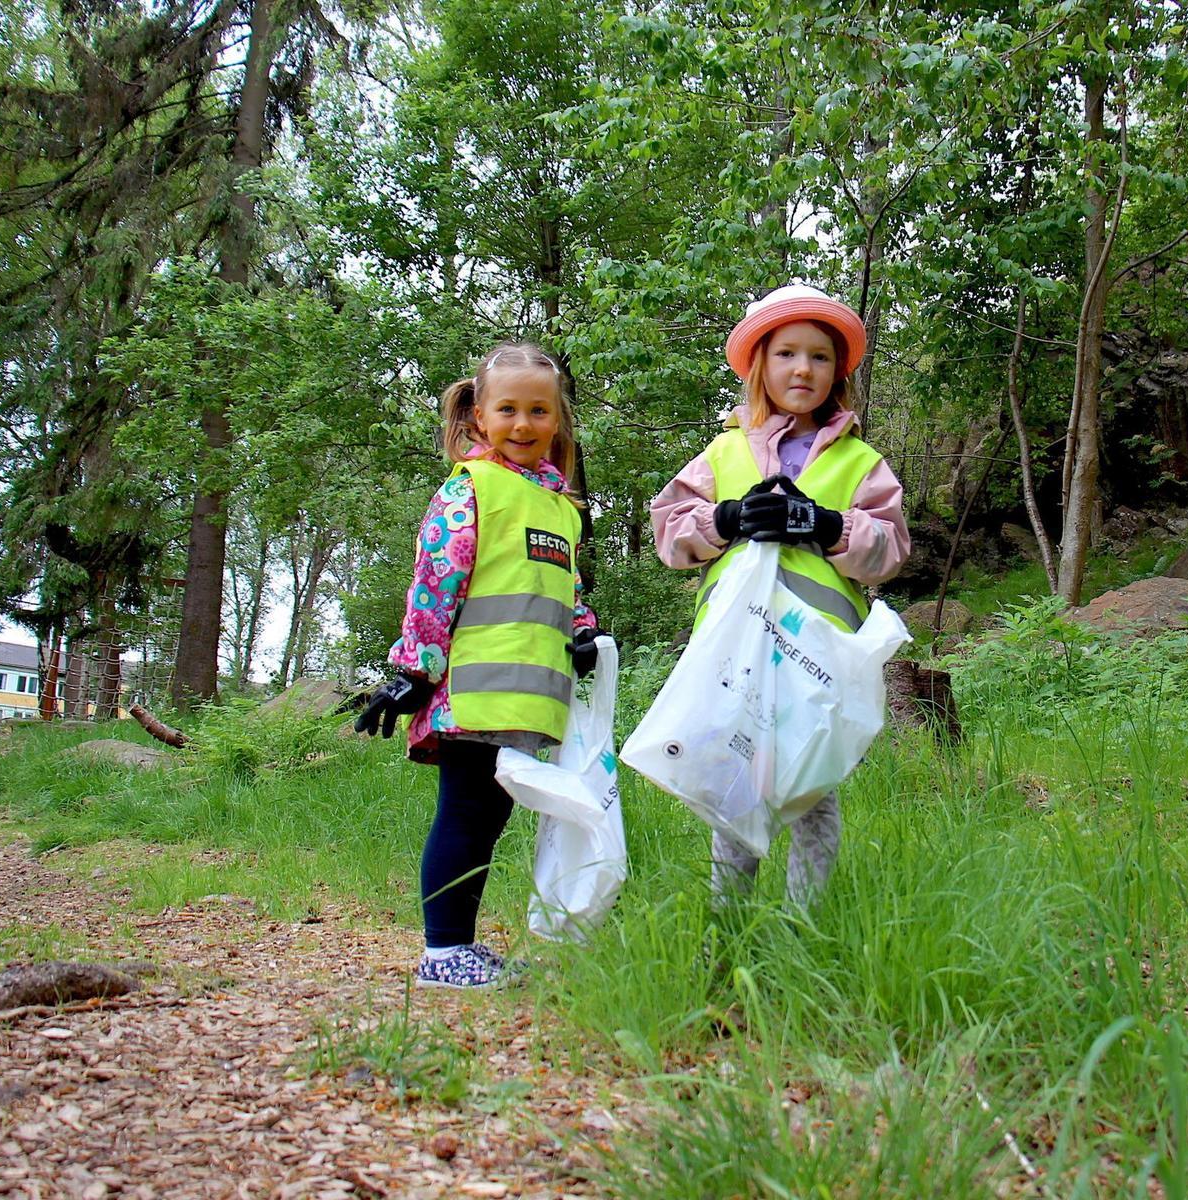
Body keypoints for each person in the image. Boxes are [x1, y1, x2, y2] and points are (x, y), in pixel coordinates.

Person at [649, 284, 911, 909]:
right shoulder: (725, 451)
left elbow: (891, 547)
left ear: (838, 372)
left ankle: (803, 930)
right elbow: (670, 530)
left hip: (814, 659)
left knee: (812, 788)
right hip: (737, 651)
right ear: (760, 366)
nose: (803, 369)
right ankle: (726, 925)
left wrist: (826, 526)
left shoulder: (859, 461)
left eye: (820, 357)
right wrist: (728, 519)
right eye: (787, 353)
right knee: (736, 786)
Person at [356, 343, 601, 989]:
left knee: (489, 820)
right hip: (471, 692)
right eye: (509, 409)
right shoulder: (470, 489)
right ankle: (443, 952)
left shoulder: (562, 509)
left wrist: (582, 632)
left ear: (557, 419)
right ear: (481, 418)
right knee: (465, 815)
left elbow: (561, 590)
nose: (523, 423)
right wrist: (413, 671)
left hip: (527, 698)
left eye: (538, 410)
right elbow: (437, 580)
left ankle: (459, 946)